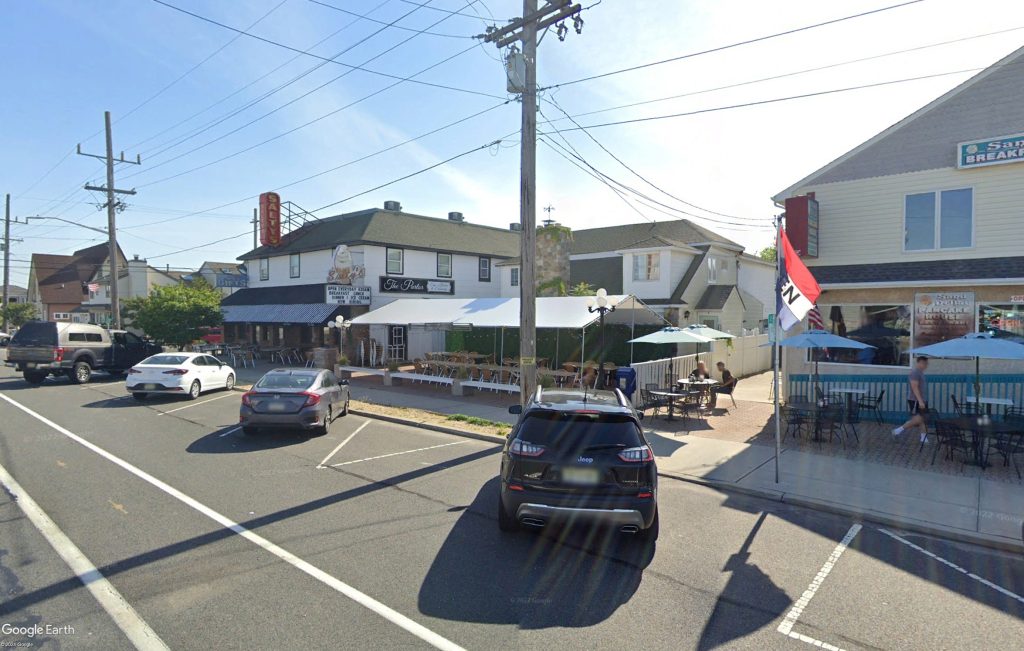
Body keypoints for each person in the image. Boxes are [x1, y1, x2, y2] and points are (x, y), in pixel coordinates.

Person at [893, 356, 929, 442]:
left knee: (922, 418)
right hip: (915, 400)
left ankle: (923, 437)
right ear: (919, 363)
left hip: (921, 399)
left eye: (926, 364)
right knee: (919, 418)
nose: (926, 365)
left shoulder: (920, 373)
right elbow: (914, 387)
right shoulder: (915, 373)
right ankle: (898, 430)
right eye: (924, 363)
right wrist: (920, 401)